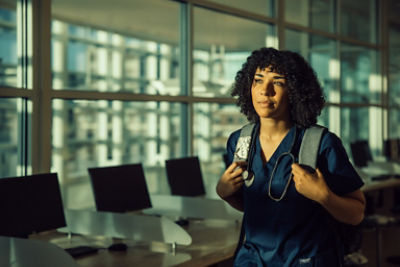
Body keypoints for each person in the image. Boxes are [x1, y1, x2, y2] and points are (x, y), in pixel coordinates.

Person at [216, 47, 366, 266]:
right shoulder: (240, 142)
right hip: (252, 259)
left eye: (277, 82)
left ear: (295, 91)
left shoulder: (321, 143)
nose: (264, 91)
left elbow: (357, 214)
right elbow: (258, 206)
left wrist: (324, 196)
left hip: (304, 260)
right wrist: (225, 193)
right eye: (258, 80)